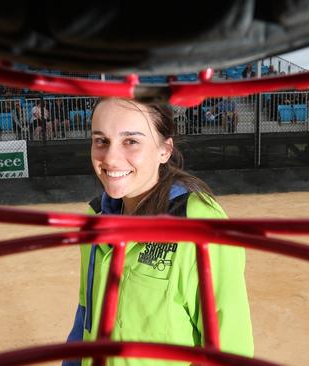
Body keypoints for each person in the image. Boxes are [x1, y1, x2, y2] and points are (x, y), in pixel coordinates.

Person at [63, 98, 253, 366]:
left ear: (164, 150)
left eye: (131, 141)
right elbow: (86, 317)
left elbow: (229, 344)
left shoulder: (200, 223)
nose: (110, 158)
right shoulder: (93, 220)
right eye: (101, 140)